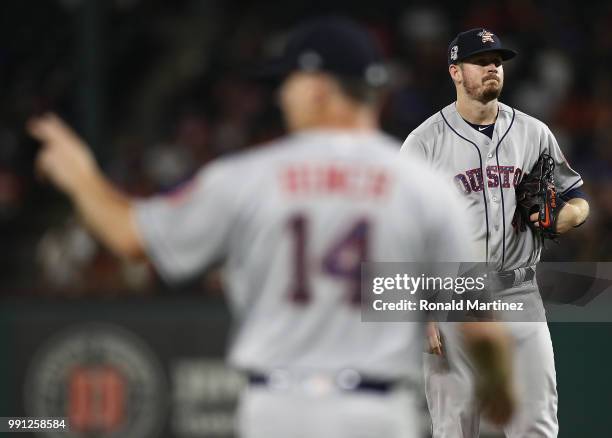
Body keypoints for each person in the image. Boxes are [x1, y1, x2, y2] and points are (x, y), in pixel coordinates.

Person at [30, 18, 515, 438]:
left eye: (289, 81)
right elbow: (480, 323)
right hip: (378, 412)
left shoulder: (248, 176)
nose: (282, 94)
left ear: (318, 86)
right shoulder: (426, 188)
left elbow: (131, 238)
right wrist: (500, 388)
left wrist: (80, 177)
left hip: (278, 409)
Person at [400, 28, 590, 437]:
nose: (492, 69)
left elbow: (576, 197)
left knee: (537, 425)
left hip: (520, 292)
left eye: (498, 62)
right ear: (455, 71)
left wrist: (567, 217)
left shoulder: (534, 133)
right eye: (481, 62)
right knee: (456, 427)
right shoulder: (424, 142)